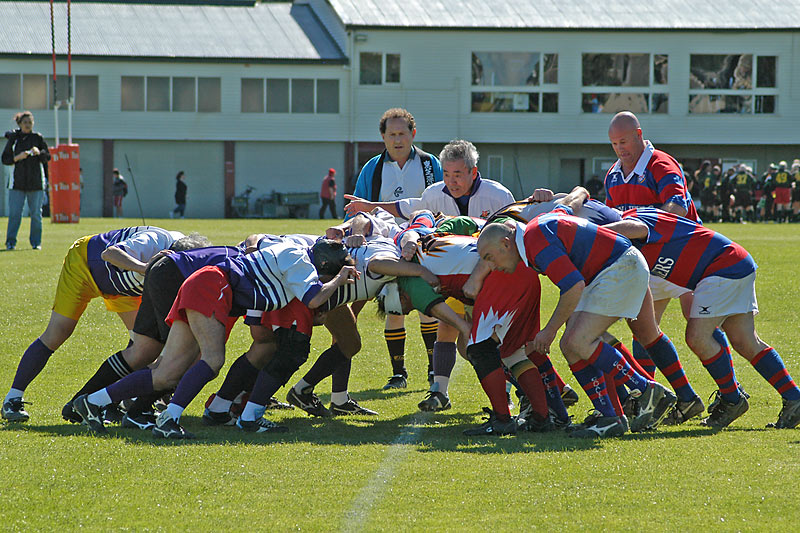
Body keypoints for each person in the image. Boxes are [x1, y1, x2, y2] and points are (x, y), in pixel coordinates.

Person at [72, 239, 358, 438]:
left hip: (206, 282)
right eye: (324, 273)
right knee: (212, 359)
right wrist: (339, 279)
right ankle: (168, 419)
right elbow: (313, 299)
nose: (321, 278)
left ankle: (93, 401)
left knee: (167, 373)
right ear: (321, 263)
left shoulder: (291, 250)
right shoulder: (300, 260)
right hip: (213, 285)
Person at [477, 213, 676, 438]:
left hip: (619, 268)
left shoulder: (534, 240)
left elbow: (573, 286)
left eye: (489, 257)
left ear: (505, 244)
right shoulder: (531, 237)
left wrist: (549, 330)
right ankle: (610, 417)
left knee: (578, 340)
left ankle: (646, 389)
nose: (491, 266)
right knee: (571, 346)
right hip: (612, 269)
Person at [606, 208, 800, 429]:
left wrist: (600, 231)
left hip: (722, 266)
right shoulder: (626, 226)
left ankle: (732, 399)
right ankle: (794, 397)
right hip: (733, 263)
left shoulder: (629, 221)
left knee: (698, 336)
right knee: (745, 340)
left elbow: (638, 228)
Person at [345, 139, 514, 392]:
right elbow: (411, 211)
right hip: (456, 277)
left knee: (496, 341)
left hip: (495, 278)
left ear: (473, 172)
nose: (451, 181)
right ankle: (439, 392)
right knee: (451, 334)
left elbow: (515, 236)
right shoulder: (434, 194)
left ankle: (519, 393)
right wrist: (371, 207)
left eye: (458, 174)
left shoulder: (498, 195)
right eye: (446, 174)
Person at [1, 226, 185, 422]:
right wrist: (144, 267)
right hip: (86, 264)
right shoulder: (155, 240)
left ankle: (113, 402)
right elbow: (110, 253)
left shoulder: (181, 258)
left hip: (121, 287)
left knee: (143, 347)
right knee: (58, 332)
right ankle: (12, 398)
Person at [347, 108, 444, 390]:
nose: (398, 140)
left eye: (403, 133)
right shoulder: (373, 168)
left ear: (413, 134)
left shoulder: (430, 164)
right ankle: (398, 373)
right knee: (394, 307)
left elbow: (442, 200)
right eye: (392, 134)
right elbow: (358, 209)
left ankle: (432, 368)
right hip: (387, 244)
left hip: (425, 240)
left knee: (429, 305)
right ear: (383, 137)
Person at [2, 111, 50, 250]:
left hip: (36, 183)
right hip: (17, 183)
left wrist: (39, 152)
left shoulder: (38, 138)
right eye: (25, 123)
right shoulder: (14, 138)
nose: (28, 125)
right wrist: (18, 157)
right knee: (15, 214)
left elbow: (47, 157)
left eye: (30, 122)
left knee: (36, 214)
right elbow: (5, 159)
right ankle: (11, 242)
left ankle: (36, 243)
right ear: (19, 124)